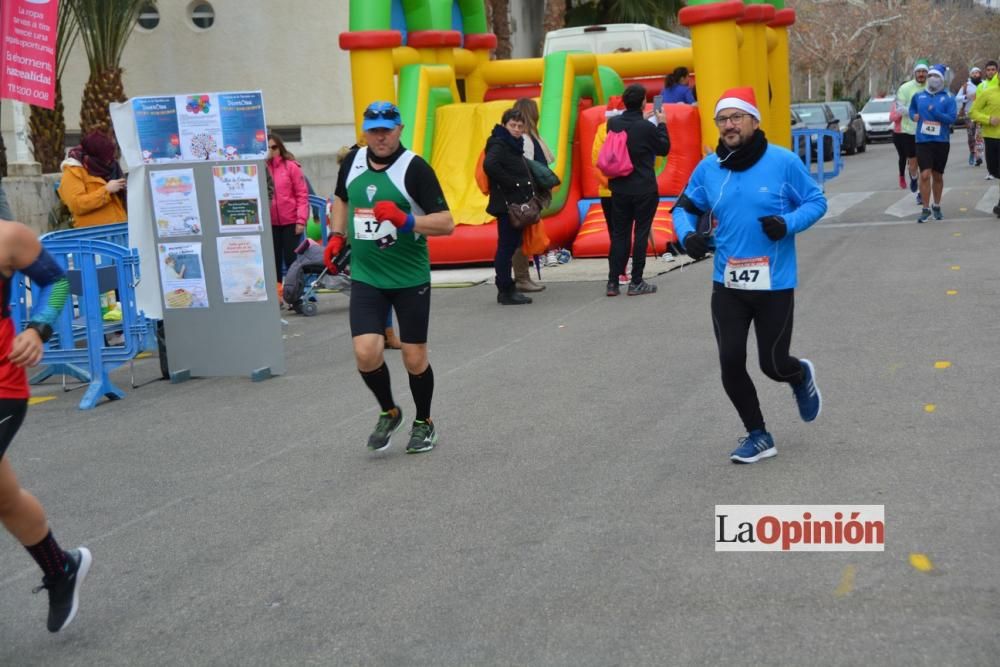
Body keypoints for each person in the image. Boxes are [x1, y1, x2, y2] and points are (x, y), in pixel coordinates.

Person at [672, 87, 827, 464]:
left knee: (772, 364)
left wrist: (787, 223)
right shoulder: (710, 168)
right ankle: (758, 434)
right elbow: (683, 207)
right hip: (728, 283)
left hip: (774, 282)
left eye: (736, 117)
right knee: (730, 361)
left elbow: (816, 201)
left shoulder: (782, 162)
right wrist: (687, 235)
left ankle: (798, 375)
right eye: (722, 119)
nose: (729, 125)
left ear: (754, 121)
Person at [323, 101, 453, 453]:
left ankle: (424, 422)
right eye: (374, 129)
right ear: (365, 130)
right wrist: (336, 236)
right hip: (367, 276)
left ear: (399, 129)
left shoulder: (415, 170)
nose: (380, 136)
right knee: (366, 352)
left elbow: (446, 223)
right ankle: (389, 410)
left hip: (410, 277)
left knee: (413, 357)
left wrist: (406, 220)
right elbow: (341, 198)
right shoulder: (352, 161)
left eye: (387, 129)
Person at [0, 219, 91, 630]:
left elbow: (55, 284)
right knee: (5, 499)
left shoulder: (8, 236)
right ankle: (61, 569)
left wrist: (38, 329)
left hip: (1, 383)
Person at [334, 143, 402, 349]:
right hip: (361, 241)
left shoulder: (383, 173)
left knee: (384, 285)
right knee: (371, 288)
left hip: (382, 237)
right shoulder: (349, 180)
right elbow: (341, 203)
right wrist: (338, 236)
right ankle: (380, 332)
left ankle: (386, 332)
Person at [605, 83, 670, 297]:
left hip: (620, 187)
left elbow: (627, 135)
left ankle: (613, 282)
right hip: (643, 187)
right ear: (643, 102)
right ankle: (636, 281)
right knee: (640, 233)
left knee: (619, 234)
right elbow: (663, 148)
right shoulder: (646, 128)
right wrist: (661, 123)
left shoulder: (613, 123)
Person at [484, 107, 536, 305]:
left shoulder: (513, 143)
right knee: (506, 247)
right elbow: (490, 164)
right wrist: (512, 183)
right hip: (507, 204)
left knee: (511, 245)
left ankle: (507, 287)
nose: (516, 129)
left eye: (520, 126)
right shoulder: (499, 143)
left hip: (513, 202)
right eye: (512, 125)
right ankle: (505, 288)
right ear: (505, 125)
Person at [511, 97, 554, 294]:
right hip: (526, 195)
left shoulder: (530, 136)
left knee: (523, 235)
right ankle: (521, 277)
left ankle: (522, 277)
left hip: (527, 193)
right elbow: (527, 165)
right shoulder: (526, 139)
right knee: (520, 236)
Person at [910, 64, 957, 223]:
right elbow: (912, 110)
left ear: (941, 80)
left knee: (937, 175)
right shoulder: (918, 96)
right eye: (930, 76)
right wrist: (913, 116)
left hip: (941, 141)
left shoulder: (948, 97)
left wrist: (936, 113)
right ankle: (925, 208)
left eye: (936, 76)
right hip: (923, 140)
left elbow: (951, 119)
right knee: (924, 175)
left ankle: (936, 205)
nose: (932, 79)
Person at [266, 133, 310, 300]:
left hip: (290, 221)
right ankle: (277, 297)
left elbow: (301, 194)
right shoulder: (262, 168)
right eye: (267, 148)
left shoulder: (291, 167)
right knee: (274, 261)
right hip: (271, 223)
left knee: (292, 261)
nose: (271, 151)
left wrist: (301, 220)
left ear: (280, 148)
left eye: (274, 147)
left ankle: (294, 295)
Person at [591, 95, 629, 284]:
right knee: (624, 232)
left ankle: (616, 271)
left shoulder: (600, 130)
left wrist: (607, 183)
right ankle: (622, 270)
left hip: (606, 191)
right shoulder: (629, 130)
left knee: (614, 233)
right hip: (626, 190)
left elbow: (595, 162)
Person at [57, 131, 127, 228]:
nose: (109, 161)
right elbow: (76, 205)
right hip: (94, 235)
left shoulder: (108, 168)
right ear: (96, 155)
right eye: (106, 157)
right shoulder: (73, 170)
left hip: (117, 230)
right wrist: (106, 190)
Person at [896, 60, 929, 202]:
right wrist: (912, 113)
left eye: (924, 72)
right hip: (909, 131)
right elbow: (899, 107)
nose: (921, 74)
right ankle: (914, 177)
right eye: (919, 72)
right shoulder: (905, 88)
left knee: (926, 165)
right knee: (913, 163)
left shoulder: (932, 86)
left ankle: (922, 193)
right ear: (914, 73)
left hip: (927, 131)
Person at [969, 72, 1000, 215]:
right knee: (993, 170)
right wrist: (988, 119)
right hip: (992, 137)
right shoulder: (988, 92)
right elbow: (973, 112)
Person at [955, 67, 983, 167]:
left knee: (979, 135)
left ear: (980, 74)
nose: (976, 75)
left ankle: (978, 156)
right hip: (969, 114)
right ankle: (972, 152)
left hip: (981, 114)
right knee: (971, 135)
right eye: (973, 73)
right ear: (970, 75)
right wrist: (966, 97)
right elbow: (957, 98)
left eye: (977, 73)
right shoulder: (966, 86)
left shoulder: (984, 84)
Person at [889, 98, 909, 189]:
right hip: (898, 133)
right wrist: (900, 114)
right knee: (902, 156)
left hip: (910, 133)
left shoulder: (911, 102)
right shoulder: (896, 104)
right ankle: (902, 177)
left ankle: (913, 176)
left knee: (913, 157)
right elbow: (891, 118)